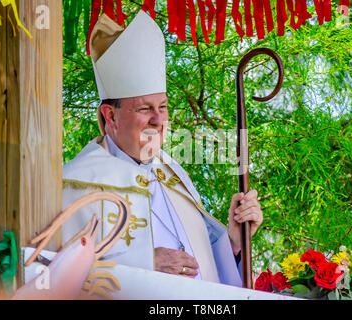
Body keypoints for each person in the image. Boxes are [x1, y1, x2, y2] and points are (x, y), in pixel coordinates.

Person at [62, 10, 263, 288]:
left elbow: (205, 272)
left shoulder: (173, 173)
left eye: (163, 107)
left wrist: (233, 243)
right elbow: (56, 274)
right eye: (145, 109)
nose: (158, 121)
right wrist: (142, 264)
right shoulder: (78, 183)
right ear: (110, 116)